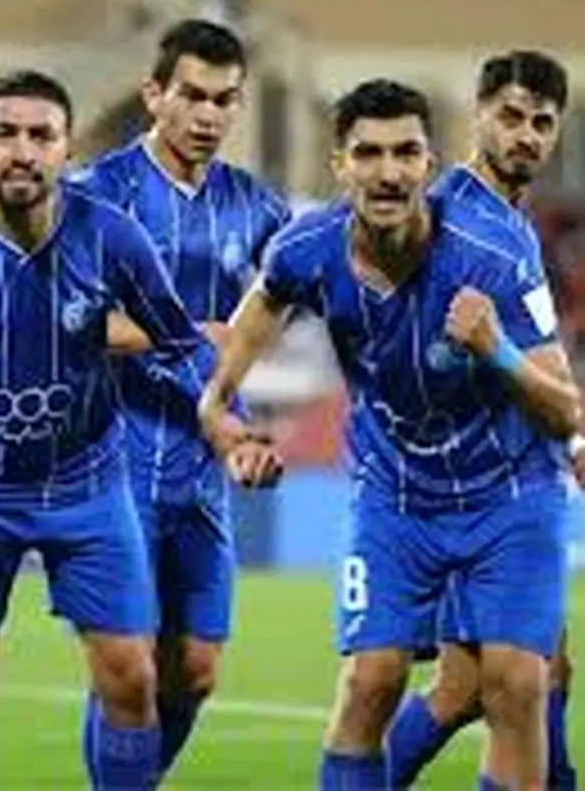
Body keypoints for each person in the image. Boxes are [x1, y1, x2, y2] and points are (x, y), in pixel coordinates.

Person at [0, 69, 280, 790]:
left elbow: (179, 344)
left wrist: (229, 425)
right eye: (5, 133)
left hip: (88, 488)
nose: (22, 151)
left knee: (131, 677)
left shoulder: (111, 236)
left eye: (40, 135)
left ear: (67, 149)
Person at [197, 79, 578, 790]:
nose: (388, 172)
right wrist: (224, 415)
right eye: (368, 153)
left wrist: (496, 348)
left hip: (505, 494)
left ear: (430, 165)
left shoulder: (492, 253)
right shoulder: (306, 248)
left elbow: (565, 412)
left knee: (516, 684)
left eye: (406, 153)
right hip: (395, 494)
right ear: (339, 165)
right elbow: (251, 323)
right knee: (371, 679)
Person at [72, 18, 289, 784]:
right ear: (153, 94)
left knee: (193, 669)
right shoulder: (96, 194)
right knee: (127, 667)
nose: (207, 115)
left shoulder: (256, 207)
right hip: (110, 461)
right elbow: (59, 316)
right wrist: (181, 334)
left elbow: (300, 292)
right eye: (192, 95)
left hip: (198, 468)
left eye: (224, 100)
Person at [387, 49, 578, 790]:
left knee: (526, 672)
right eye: (511, 116)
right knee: (494, 686)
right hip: (475, 490)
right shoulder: (458, 222)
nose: (525, 135)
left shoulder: (508, 224)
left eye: (542, 123)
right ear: (479, 116)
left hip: (507, 480)